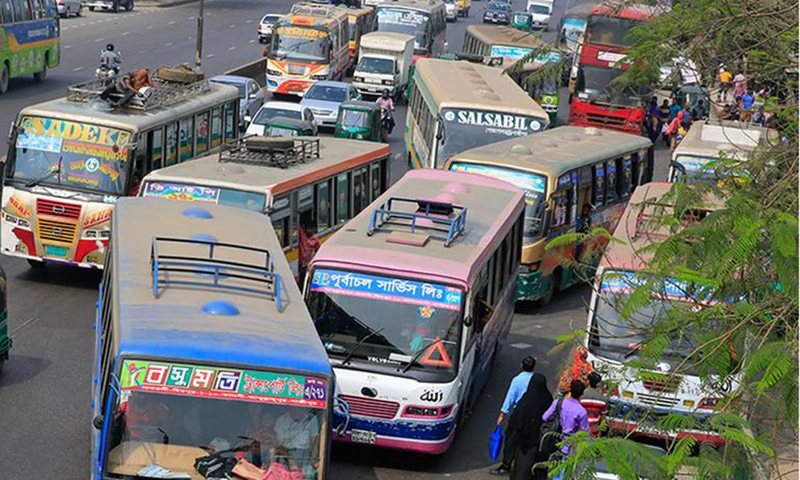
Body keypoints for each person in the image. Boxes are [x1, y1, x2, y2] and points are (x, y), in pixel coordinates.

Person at [490, 356, 536, 476]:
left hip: (518, 414)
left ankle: (506, 464)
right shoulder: (536, 380)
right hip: (532, 416)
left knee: (511, 439)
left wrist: (502, 414)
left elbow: (510, 398)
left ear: (521, 365)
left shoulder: (517, 380)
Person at [506, 373, 553, 480]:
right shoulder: (548, 399)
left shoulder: (526, 400)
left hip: (525, 443)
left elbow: (516, 421)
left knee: (522, 469)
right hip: (541, 443)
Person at [541, 380, 590, 480]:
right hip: (569, 446)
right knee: (562, 473)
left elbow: (545, 417)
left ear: (570, 390)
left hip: (554, 442)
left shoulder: (558, 402)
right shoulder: (581, 411)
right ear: (581, 394)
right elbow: (585, 432)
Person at [274, 409, 319, 477]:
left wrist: (313, 460)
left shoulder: (311, 419)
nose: (298, 411)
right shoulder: (281, 420)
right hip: (285, 456)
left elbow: (314, 443)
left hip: (305, 457)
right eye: (295, 408)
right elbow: (278, 445)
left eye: (300, 409)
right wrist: (290, 461)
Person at [580, 371, 607, 437]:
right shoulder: (603, 398)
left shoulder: (581, 395)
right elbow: (602, 417)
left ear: (588, 381)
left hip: (579, 430)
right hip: (594, 432)